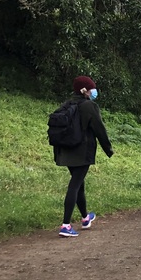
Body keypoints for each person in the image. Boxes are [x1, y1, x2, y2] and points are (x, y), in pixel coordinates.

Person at [55, 76, 113, 237]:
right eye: (92, 88)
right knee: (74, 185)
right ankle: (65, 225)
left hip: (66, 151)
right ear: (85, 90)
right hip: (82, 152)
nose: (94, 91)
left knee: (79, 184)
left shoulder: (68, 104)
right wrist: (108, 149)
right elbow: (99, 129)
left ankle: (85, 218)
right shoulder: (89, 106)